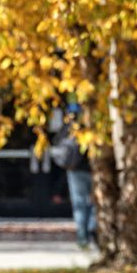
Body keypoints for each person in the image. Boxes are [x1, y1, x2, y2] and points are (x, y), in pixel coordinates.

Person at [42, 106, 96, 249]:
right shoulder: (94, 126)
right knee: (93, 203)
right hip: (91, 170)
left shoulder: (70, 128)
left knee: (80, 203)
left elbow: (58, 145)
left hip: (76, 170)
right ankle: (91, 229)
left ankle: (83, 235)